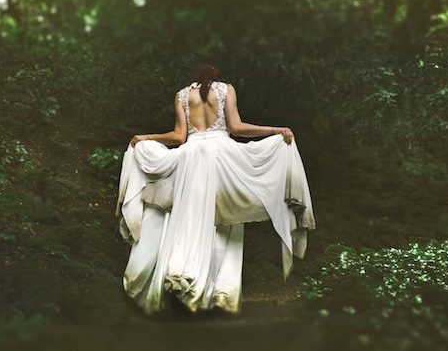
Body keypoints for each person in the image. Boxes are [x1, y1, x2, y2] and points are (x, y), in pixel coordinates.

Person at [115, 63, 315, 314]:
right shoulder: (225, 89)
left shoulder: (181, 95)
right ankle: (219, 291)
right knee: (227, 219)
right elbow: (236, 128)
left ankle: (181, 274)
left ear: (194, 79)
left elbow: (179, 137)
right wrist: (275, 130)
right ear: (215, 77)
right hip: (221, 157)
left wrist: (146, 138)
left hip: (189, 158)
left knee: (188, 217)